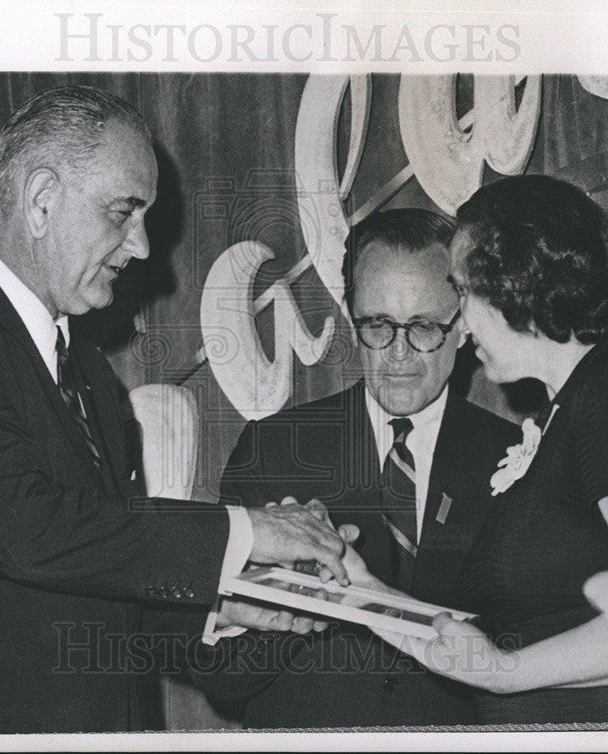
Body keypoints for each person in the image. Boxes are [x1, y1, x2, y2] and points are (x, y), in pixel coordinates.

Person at [0, 86, 350, 733]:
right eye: (124, 212)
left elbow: (101, 577)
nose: (142, 247)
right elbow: (27, 529)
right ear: (40, 200)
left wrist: (235, 602)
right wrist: (247, 532)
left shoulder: (88, 371)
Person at [367, 175, 608, 724]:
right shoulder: (573, 405)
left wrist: (504, 674)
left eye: (463, 292)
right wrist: (354, 583)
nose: (458, 329)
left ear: (514, 280)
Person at [190, 208, 519, 728]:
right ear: (351, 316)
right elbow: (221, 675)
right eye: (378, 325)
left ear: (464, 324)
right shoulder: (273, 450)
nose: (398, 354)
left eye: (425, 328)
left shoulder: (517, 458)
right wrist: (295, 602)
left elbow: (534, 658)